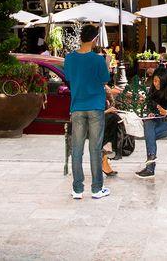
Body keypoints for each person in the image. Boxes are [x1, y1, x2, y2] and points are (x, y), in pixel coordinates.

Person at [63, 24, 111, 200]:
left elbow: (69, 77)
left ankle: (77, 189)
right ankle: (97, 189)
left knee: (77, 149)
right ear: (95, 39)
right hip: (96, 106)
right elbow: (105, 79)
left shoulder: (69, 58)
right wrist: (107, 64)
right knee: (95, 148)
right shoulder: (98, 60)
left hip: (77, 107)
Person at [136, 67, 167, 179]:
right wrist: (151, 113)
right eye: (154, 80)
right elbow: (150, 106)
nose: (155, 83)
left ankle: (150, 167)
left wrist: (166, 112)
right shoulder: (153, 90)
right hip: (157, 121)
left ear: (164, 80)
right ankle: (151, 161)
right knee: (148, 123)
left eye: (158, 81)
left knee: (149, 135)